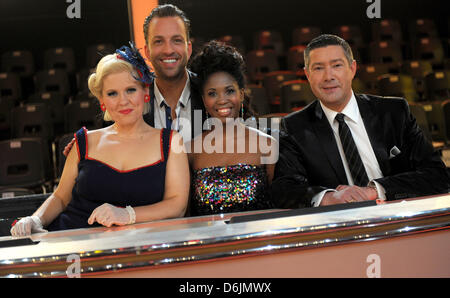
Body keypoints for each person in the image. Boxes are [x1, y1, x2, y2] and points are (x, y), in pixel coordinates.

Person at [11, 44, 189, 236]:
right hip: (76, 243)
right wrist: (36, 218)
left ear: (145, 92)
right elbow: (60, 198)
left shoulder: (170, 142)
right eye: (112, 93)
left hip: (139, 250)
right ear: (102, 101)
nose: (123, 101)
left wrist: (128, 214)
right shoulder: (83, 142)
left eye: (130, 90)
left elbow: (177, 205)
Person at [271, 34, 449, 209]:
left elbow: (436, 174)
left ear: (352, 68)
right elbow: (284, 190)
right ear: (307, 75)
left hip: (397, 216)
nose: (328, 76)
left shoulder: (394, 112)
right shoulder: (294, 127)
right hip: (341, 227)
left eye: (337, 65)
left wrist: (375, 190)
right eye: (318, 68)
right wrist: (329, 197)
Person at [186, 41, 278, 216]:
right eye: (212, 93)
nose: (222, 100)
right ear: (204, 100)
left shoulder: (267, 145)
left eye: (229, 91)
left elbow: (278, 207)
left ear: (241, 94)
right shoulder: (190, 150)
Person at [142, 3, 206, 142]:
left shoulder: (208, 91)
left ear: (188, 49)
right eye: (159, 41)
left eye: (176, 40)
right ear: (147, 51)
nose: (168, 50)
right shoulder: (135, 101)